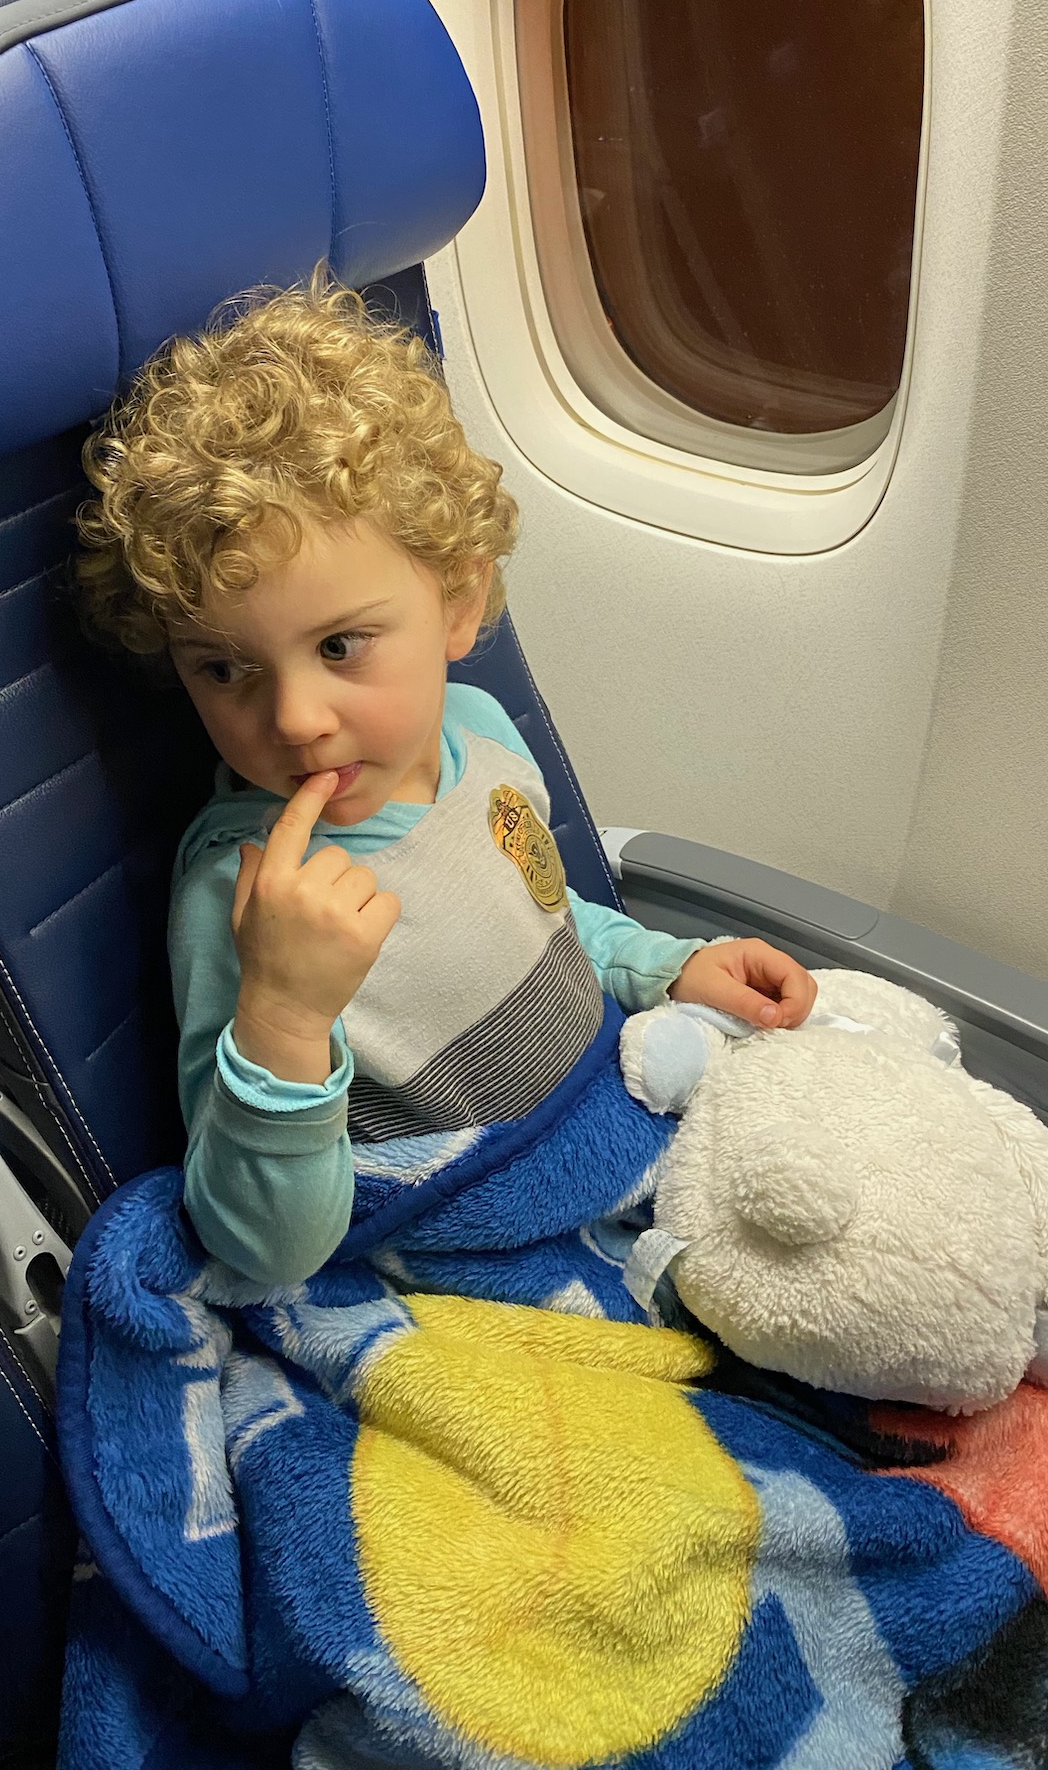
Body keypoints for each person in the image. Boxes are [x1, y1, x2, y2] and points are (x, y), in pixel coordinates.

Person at [76, 277, 814, 1284]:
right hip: (473, 1230)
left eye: (340, 643)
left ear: (459, 603)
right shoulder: (248, 898)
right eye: (223, 667)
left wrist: (665, 966)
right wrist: (285, 1014)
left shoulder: (479, 732)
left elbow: (543, 920)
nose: (293, 718)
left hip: (611, 1115)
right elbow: (263, 1245)